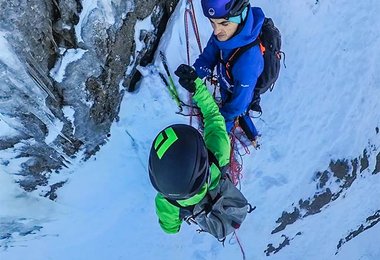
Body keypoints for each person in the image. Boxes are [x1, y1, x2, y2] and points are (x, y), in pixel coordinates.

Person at [148, 64, 230, 234]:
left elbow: (171, 229)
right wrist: (196, 87)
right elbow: (213, 116)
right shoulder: (218, 154)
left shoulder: (166, 203)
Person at [193, 0, 265, 141]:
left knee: (236, 111)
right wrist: (195, 74)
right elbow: (209, 54)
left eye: (224, 24)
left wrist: (219, 123)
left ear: (241, 16)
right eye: (212, 22)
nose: (216, 31)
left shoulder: (248, 62)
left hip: (239, 87)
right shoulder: (227, 33)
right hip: (228, 78)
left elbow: (237, 105)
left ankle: (247, 133)